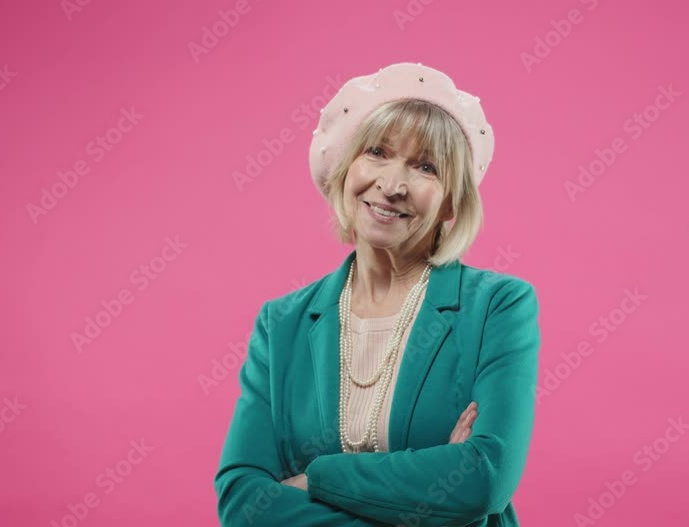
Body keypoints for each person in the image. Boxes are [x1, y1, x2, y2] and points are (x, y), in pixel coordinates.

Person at [214, 62, 541, 526]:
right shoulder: (281, 323)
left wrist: (318, 477)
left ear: (451, 199)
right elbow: (244, 503)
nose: (392, 185)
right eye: (377, 152)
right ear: (346, 169)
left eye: (425, 166)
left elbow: (482, 478)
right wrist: (429, 504)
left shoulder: (497, 307)